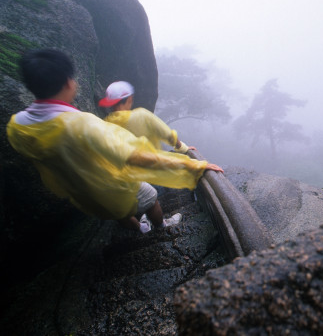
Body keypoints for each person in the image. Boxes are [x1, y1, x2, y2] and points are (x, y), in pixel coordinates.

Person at [6, 49, 224, 234]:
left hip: (84, 195)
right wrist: (193, 164)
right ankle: (160, 227)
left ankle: (141, 230)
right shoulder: (83, 125)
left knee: (119, 214)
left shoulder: (16, 127)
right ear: (67, 83)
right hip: (113, 186)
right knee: (151, 197)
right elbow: (139, 155)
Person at [99, 80, 194, 154]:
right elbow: (168, 135)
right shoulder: (142, 116)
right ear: (129, 98)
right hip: (151, 171)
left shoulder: (106, 124)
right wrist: (182, 148)